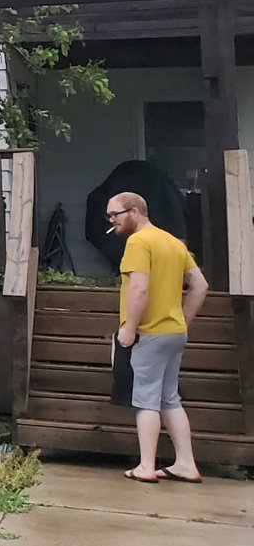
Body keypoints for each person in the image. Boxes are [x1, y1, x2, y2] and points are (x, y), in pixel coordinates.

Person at [106, 192, 209, 483]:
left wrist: (128, 328)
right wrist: (182, 321)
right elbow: (200, 285)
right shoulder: (172, 242)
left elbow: (139, 289)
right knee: (169, 399)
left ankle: (146, 466)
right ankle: (186, 464)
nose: (111, 221)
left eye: (115, 214)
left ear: (135, 211)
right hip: (174, 332)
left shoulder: (138, 242)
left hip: (148, 333)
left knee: (146, 400)